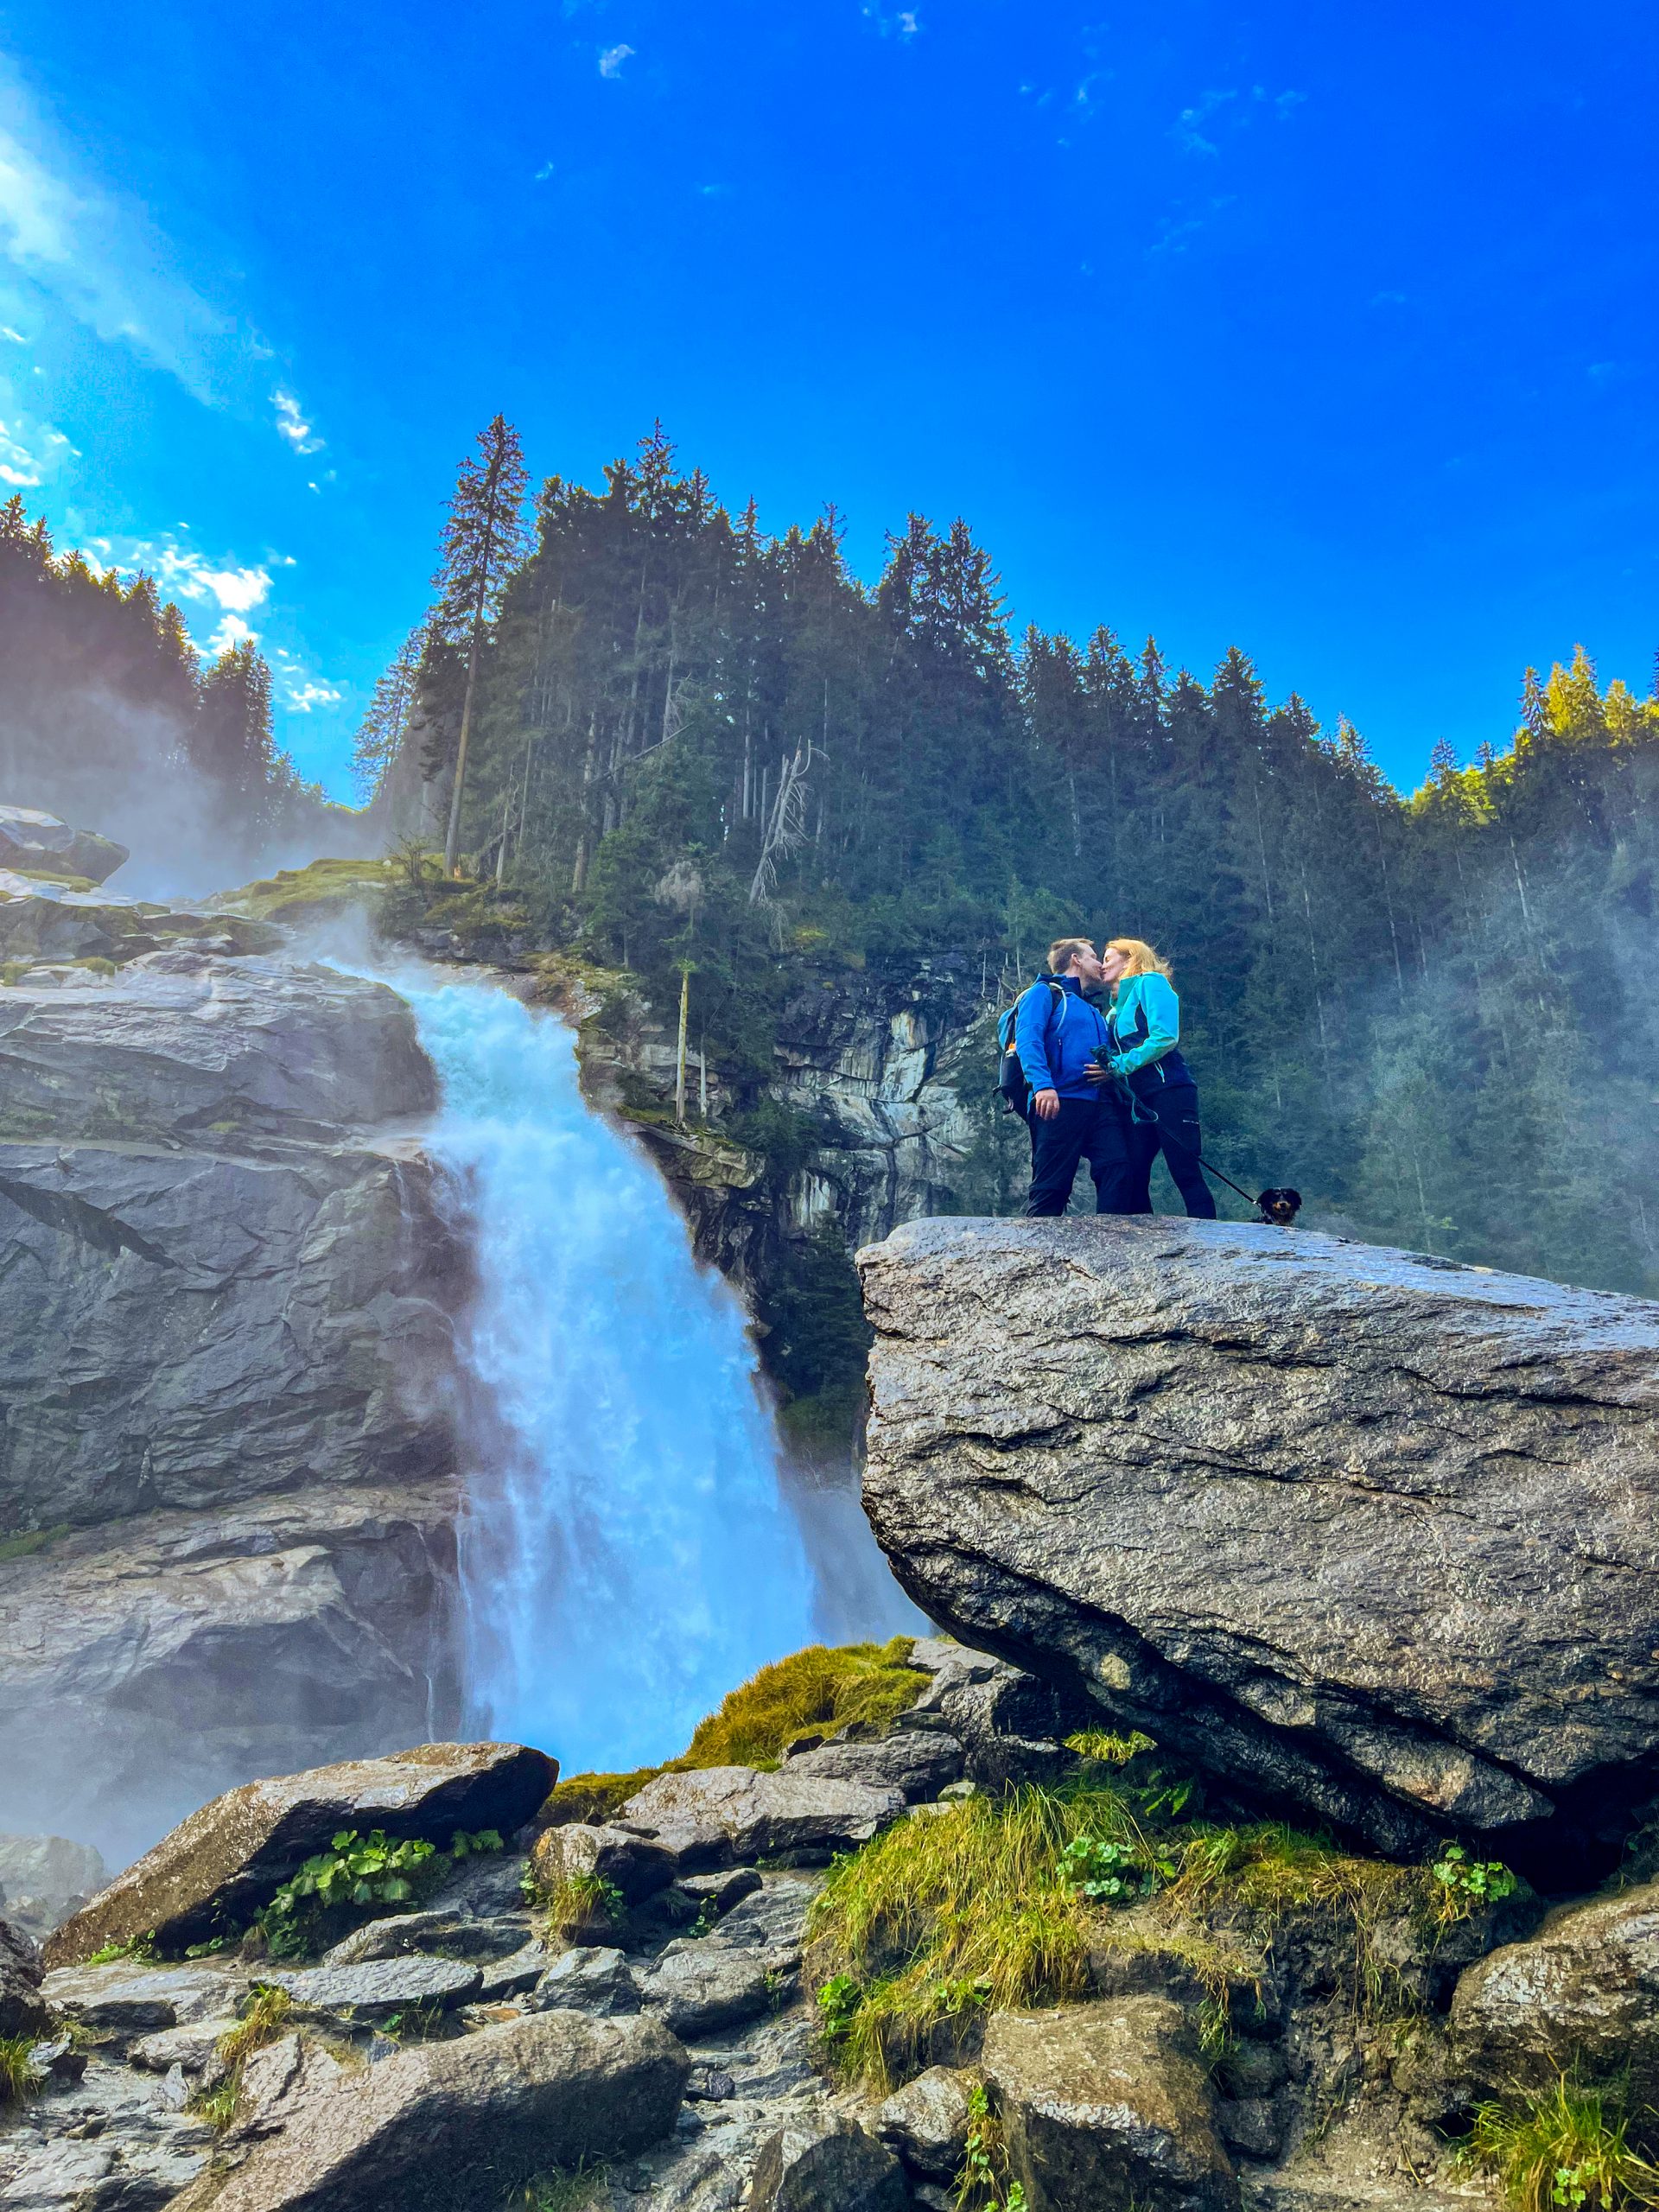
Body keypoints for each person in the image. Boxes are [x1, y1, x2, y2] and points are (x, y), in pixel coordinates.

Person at [1093, 937, 1217, 1219]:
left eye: (1108, 959)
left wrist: (1119, 1065)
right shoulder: (1113, 1011)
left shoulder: (1151, 983)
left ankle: (1209, 1240)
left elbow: (1165, 1036)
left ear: (1130, 958)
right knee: (1134, 1174)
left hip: (1169, 1089)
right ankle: (1147, 1240)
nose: (1102, 965)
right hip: (1136, 1102)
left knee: (1185, 1171)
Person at [1016, 938, 1120, 1217]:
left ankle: (1112, 1238)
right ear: (1076, 960)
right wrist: (1042, 1085)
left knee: (1117, 1167)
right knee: (1052, 1186)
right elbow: (1028, 1039)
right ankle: (1036, 1243)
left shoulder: (1092, 1009)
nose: (1099, 964)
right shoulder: (1044, 993)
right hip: (1058, 1099)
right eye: (1094, 957)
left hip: (1099, 1102)